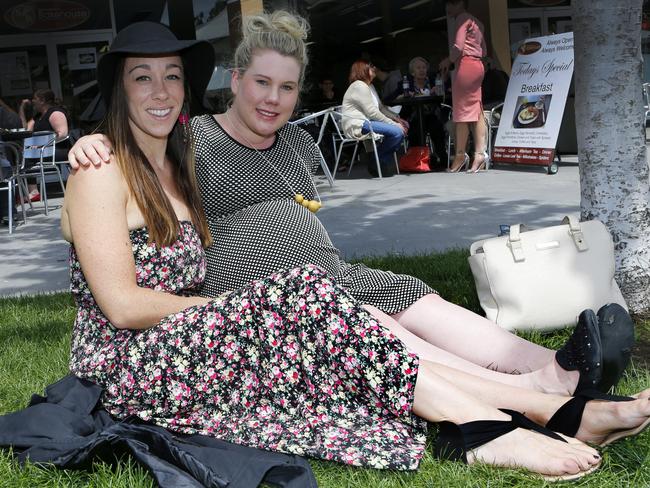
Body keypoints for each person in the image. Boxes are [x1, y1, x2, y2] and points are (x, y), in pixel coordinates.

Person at [58, 18, 650, 480]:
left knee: (331, 302)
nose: (159, 91)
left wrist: (261, 304)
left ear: (186, 88)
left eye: (170, 76)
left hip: (192, 343)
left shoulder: (173, 164)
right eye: (142, 77)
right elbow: (123, 307)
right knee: (306, 298)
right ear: (120, 87)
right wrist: (253, 305)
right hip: (129, 367)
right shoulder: (103, 167)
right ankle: (513, 416)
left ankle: (540, 408)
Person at [439, 0, 488, 173]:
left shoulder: (462, 19)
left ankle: (460, 155)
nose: (447, 7)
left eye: (450, 3)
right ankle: (480, 154)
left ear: (459, 3)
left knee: (461, 113)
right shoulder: (477, 22)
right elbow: (485, 50)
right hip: (478, 66)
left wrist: (447, 60)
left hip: (465, 66)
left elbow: (458, 46)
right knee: (477, 108)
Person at [341, 59, 408, 177]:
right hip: (359, 124)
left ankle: (378, 161)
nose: (374, 69)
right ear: (362, 70)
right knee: (397, 132)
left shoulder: (369, 86)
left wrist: (396, 118)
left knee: (403, 127)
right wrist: (393, 124)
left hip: (369, 122)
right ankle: (376, 161)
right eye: (370, 67)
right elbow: (372, 112)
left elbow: (380, 108)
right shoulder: (359, 86)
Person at [20, 89, 71, 202]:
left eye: (35, 99)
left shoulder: (55, 113)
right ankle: (33, 192)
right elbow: (26, 130)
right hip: (43, 151)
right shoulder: (38, 116)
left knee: (28, 157)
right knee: (24, 156)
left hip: (59, 150)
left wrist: (41, 146)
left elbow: (62, 134)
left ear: (42, 101)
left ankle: (33, 192)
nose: (33, 101)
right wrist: (22, 109)